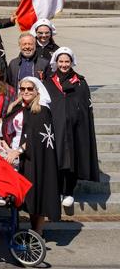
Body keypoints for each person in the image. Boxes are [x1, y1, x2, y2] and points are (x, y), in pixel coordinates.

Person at [4, 77, 60, 233]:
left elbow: (35, 138)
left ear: (37, 91)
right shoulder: (20, 107)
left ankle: (38, 231)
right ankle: (32, 230)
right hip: (20, 155)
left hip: (36, 158)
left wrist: (18, 151)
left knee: (37, 192)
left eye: (30, 89)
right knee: (30, 195)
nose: (26, 91)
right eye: (23, 89)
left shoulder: (41, 110)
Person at [46, 49, 98, 208]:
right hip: (55, 128)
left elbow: (85, 107)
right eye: (61, 61)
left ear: (71, 62)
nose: (63, 65)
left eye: (66, 62)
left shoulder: (80, 82)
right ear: (56, 62)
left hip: (75, 129)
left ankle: (69, 191)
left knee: (72, 159)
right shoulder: (48, 82)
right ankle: (58, 189)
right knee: (57, 159)